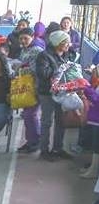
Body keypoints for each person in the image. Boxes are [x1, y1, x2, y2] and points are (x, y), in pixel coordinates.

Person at [36, 29, 73, 161]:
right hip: (47, 93)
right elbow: (43, 74)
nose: (69, 44)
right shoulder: (44, 56)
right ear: (57, 43)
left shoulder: (67, 54)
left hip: (62, 92)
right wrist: (60, 69)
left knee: (61, 121)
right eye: (66, 42)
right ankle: (44, 150)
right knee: (47, 121)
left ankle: (58, 148)